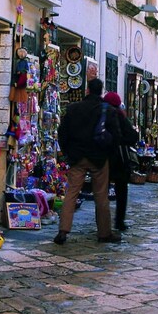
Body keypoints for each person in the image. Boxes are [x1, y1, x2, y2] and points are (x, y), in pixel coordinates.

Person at [55, 78, 121, 244]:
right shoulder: (107, 111)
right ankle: (104, 233)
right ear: (101, 91)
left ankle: (63, 230)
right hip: (99, 158)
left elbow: (62, 133)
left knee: (71, 193)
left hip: (77, 157)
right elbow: (116, 137)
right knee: (101, 196)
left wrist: (68, 153)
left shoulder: (73, 109)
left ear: (87, 90)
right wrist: (109, 155)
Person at [103, 92, 139, 231]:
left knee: (101, 193)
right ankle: (119, 221)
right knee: (121, 192)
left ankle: (102, 221)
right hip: (119, 158)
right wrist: (120, 141)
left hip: (102, 158)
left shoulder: (100, 114)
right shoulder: (120, 116)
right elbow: (132, 136)